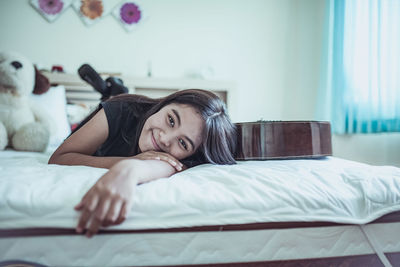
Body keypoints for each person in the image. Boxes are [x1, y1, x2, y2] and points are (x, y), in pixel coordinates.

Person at [48, 89, 237, 237]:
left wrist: (131, 170)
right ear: (165, 103)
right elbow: (59, 157)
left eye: (183, 143)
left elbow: (166, 165)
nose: (165, 139)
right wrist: (127, 162)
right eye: (171, 120)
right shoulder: (121, 109)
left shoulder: (185, 158)